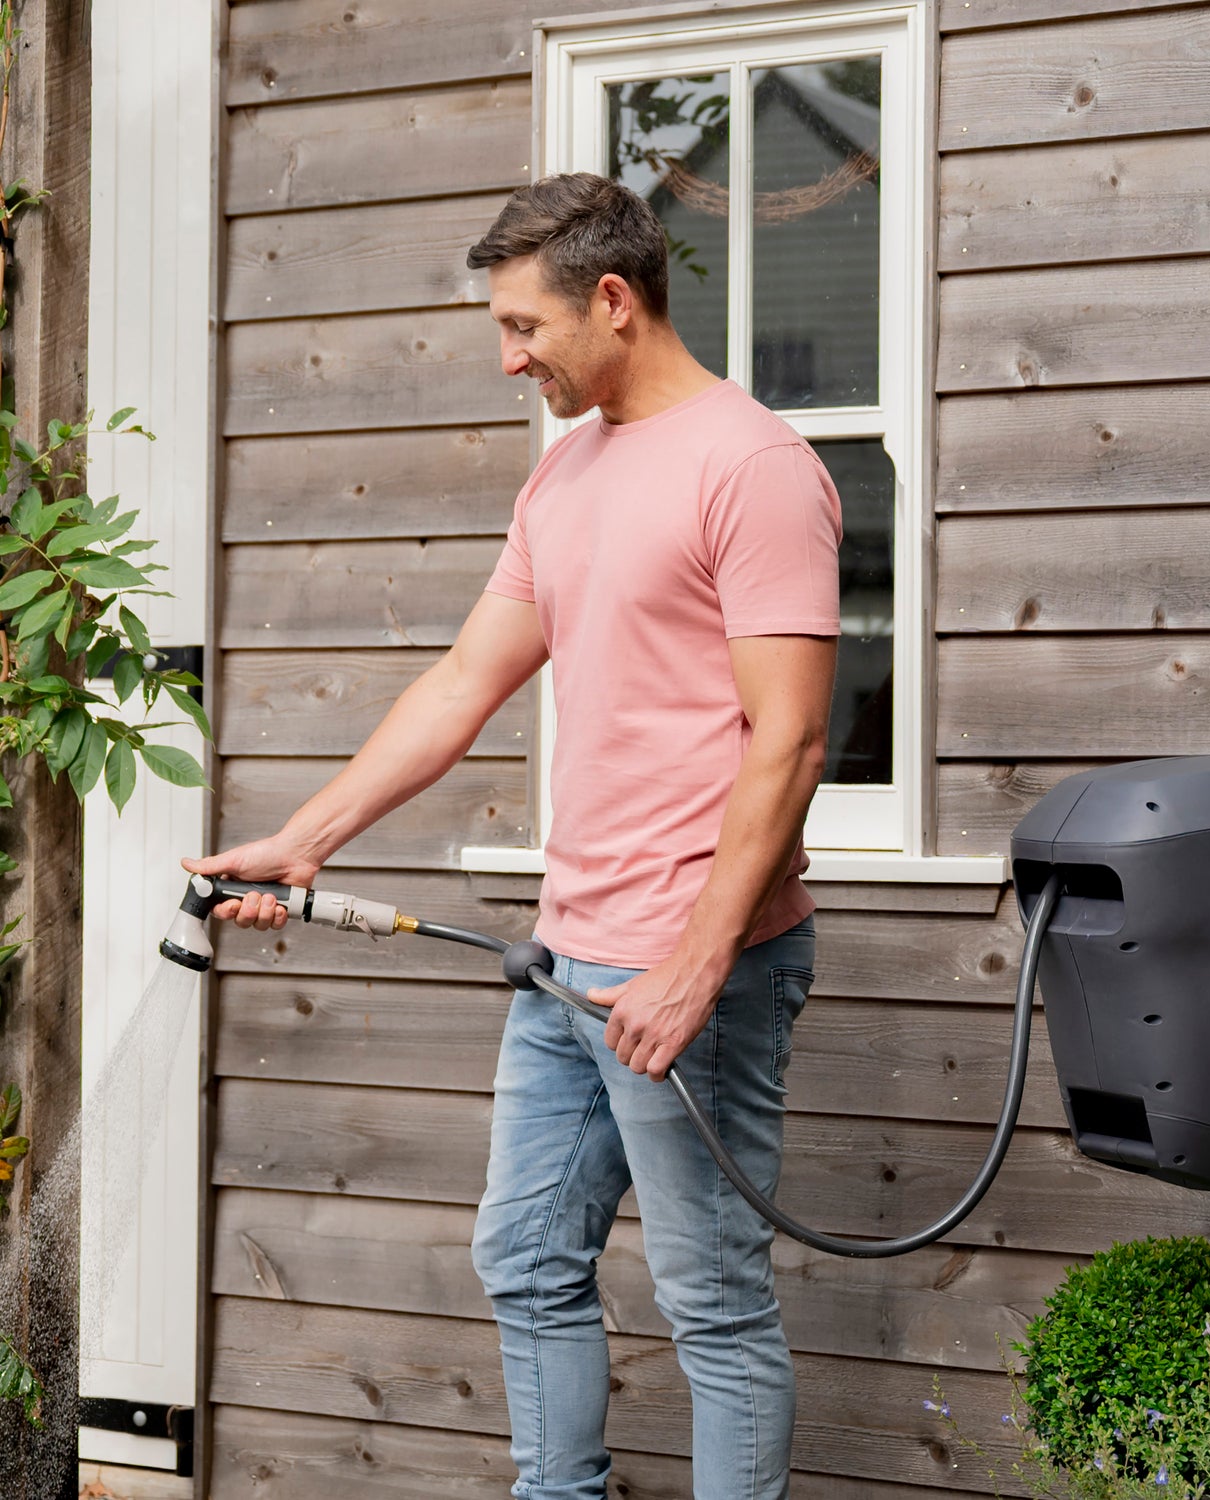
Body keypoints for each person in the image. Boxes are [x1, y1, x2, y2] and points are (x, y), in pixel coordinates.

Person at [185, 172, 843, 1500]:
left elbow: (790, 739)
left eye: (524, 326)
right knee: (527, 1260)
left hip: (688, 968)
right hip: (566, 961)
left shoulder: (755, 469)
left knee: (712, 1304)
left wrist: (698, 962)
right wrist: (307, 839)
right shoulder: (567, 477)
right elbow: (459, 684)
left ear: (614, 300)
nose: (509, 357)